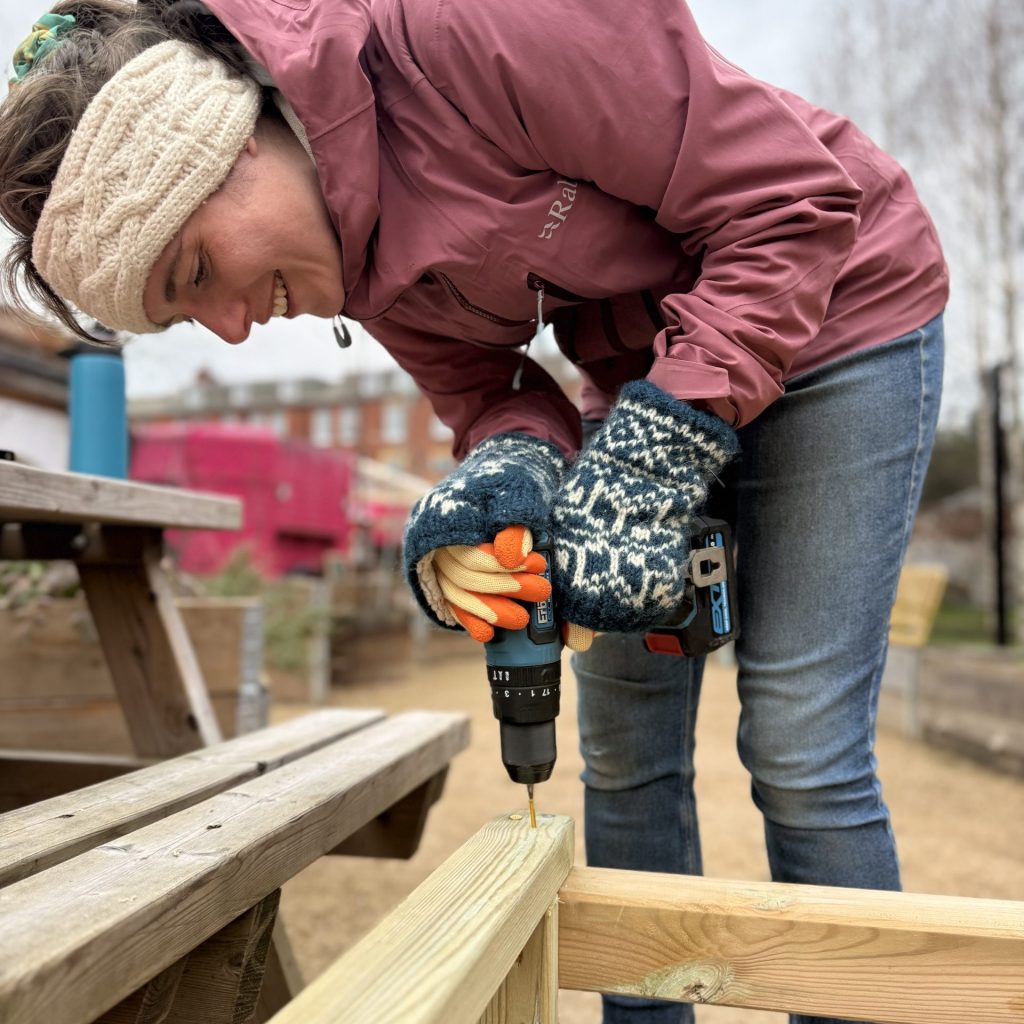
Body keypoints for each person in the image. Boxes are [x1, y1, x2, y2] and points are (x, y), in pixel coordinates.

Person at [0, 2, 947, 1022]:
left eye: (195, 272)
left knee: (801, 742)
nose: (231, 328)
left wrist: (651, 459)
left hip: (843, 308)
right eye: (189, 315)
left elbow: (791, 200)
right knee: (624, 748)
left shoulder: (467, 31)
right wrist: (485, 501)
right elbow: (494, 399)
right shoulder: (357, 267)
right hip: (643, 374)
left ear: (223, 143)